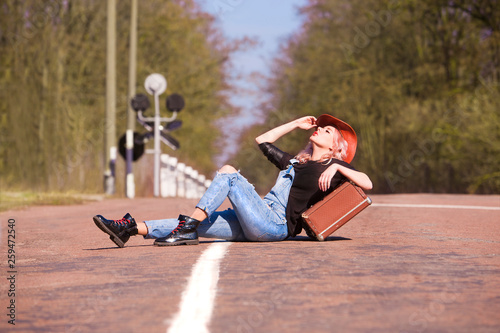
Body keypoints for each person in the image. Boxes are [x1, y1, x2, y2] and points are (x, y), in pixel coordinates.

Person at [93, 114, 373, 247]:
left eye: (326, 131)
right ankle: (130, 229)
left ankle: (188, 227)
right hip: (259, 216)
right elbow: (262, 141)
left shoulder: (332, 165)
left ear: (335, 147)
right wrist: (295, 123)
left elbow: (366, 183)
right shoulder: (294, 162)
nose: (319, 130)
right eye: (320, 127)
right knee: (206, 223)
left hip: (275, 225)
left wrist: (338, 169)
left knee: (228, 172)